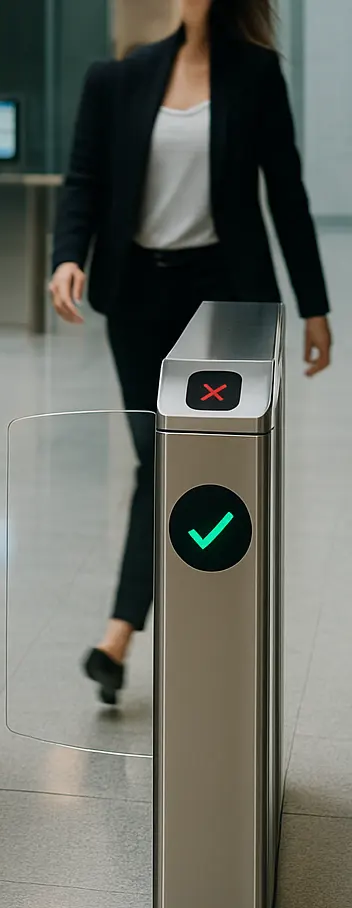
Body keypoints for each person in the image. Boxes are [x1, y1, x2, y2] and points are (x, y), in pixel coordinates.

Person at [49, 0, 331, 705]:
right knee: (159, 454)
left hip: (224, 301)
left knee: (210, 464)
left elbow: (286, 194)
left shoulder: (257, 76)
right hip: (138, 295)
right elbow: (84, 181)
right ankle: (143, 626)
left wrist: (316, 306)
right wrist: (65, 258)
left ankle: (129, 631)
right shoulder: (119, 79)